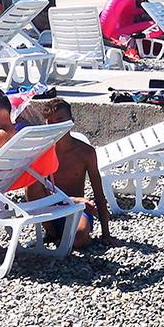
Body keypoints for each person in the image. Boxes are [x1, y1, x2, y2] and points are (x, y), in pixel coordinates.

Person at [16, 97, 110, 247]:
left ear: (71, 122)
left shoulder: (86, 152)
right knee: (32, 184)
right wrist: (75, 199)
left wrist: (106, 234)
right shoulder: (42, 151)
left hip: (76, 211)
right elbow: (34, 192)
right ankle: (52, 233)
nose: (56, 126)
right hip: (51, 210)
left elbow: (98, 193)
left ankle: (63, 237)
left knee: (79, 238)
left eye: (60, 121)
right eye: (51, 122)